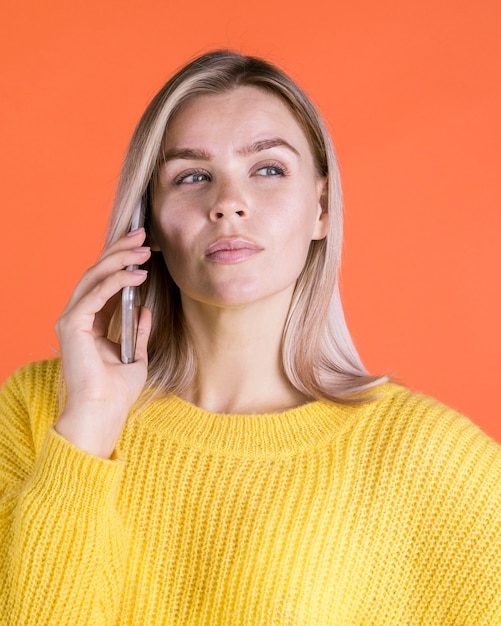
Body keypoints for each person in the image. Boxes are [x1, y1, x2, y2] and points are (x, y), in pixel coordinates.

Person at [1, 50, 500, 625]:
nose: (227, 204)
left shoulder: (425, 457)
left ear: (321, 209)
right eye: (192, 176)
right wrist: (89, 421)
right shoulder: (40, 412)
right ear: (150, 223)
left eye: (267, 169)